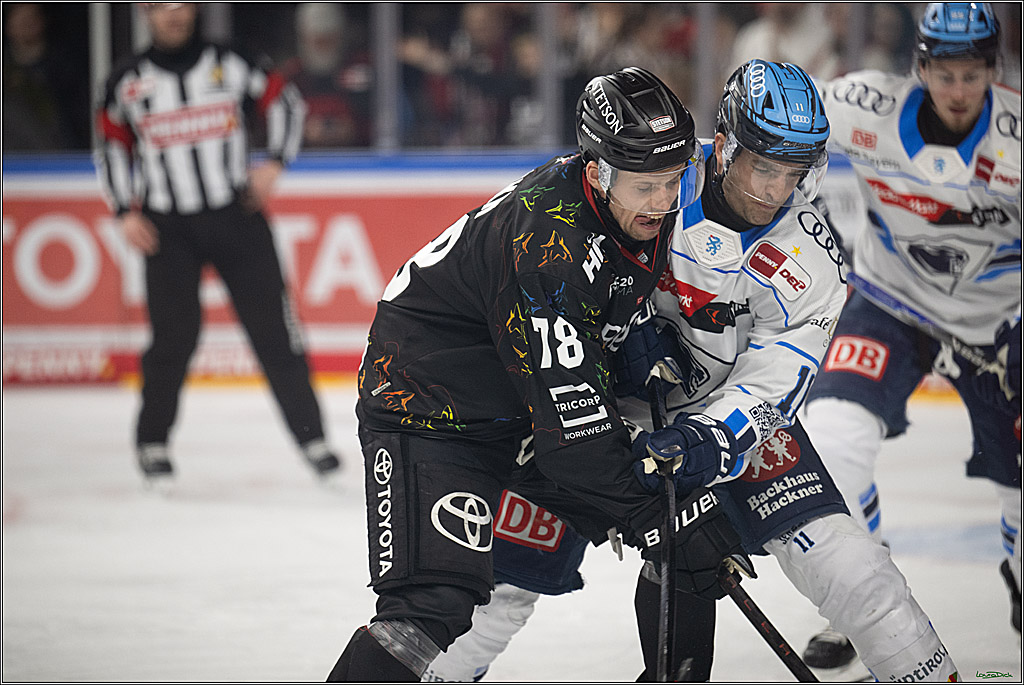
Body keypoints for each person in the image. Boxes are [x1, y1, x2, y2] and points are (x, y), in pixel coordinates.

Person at [422, 60, 961, 683]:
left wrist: (710, 437)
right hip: (589, 418)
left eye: (793, 172)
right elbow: (552, 276)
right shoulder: (655, 175)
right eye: (763, 165)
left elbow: (775, 381)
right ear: (725, 144)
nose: (773, 189)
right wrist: (611, 339)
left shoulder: (814, 260)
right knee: (498, 589)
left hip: (718, 425)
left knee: (854, 569)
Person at [325, 66, 711, 682]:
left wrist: (629, 335)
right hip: (427, 408)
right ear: (599, 169)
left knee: (687, 524)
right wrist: (647, 515)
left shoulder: (620, 209)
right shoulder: (549, 246)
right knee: (429, 605)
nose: (664, 200)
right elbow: (575, 437)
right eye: (646, 184)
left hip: (515, 407)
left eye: (672, 180)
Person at [797, 2, 1022, 676]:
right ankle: (864, 598)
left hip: (1002, 326)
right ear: (920, 67)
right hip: (890, 305)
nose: (958, 92)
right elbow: (771, 116)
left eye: (972, 76)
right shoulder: (863, 104)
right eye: (945, 75)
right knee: (830, 440)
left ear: (994, 71)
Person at [93, 2, 341, 483]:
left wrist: (276, 163)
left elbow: (286, 102)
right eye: (162, 6)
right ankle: (152, 442)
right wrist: (124, 211)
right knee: (172, 339)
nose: (174, 14)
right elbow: (110, 146)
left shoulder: (233, 61)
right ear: (146, 12)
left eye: (183, 3)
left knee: (276, 331)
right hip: (168, 228)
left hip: (237, 215)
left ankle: (312, 438)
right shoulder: (126, 79)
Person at [280, 3, 373, 148]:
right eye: (318, 41)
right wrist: (300, 131)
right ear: (304, 38)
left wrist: (356, 128)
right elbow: (267, 128)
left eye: (330, 39)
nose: (324, 47)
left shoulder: (364, 71)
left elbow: (391, 123)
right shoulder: (290, 77)